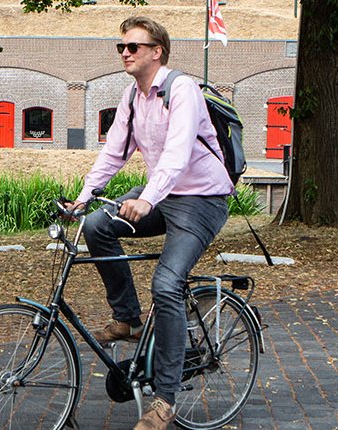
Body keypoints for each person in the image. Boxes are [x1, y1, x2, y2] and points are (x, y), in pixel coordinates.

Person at [67, 16, 234, 430]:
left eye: (133, 47)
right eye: (121, 47)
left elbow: (177, 155)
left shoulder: (182, 90)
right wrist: (82, 199)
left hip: (202, 200)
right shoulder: (132, 96)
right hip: (162, 194)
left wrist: (145, 199)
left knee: (166, 284)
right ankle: (128, 318)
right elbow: (113, 153)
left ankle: (164, 400)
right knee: (96, 226)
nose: (125, 53)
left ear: (156, 51)